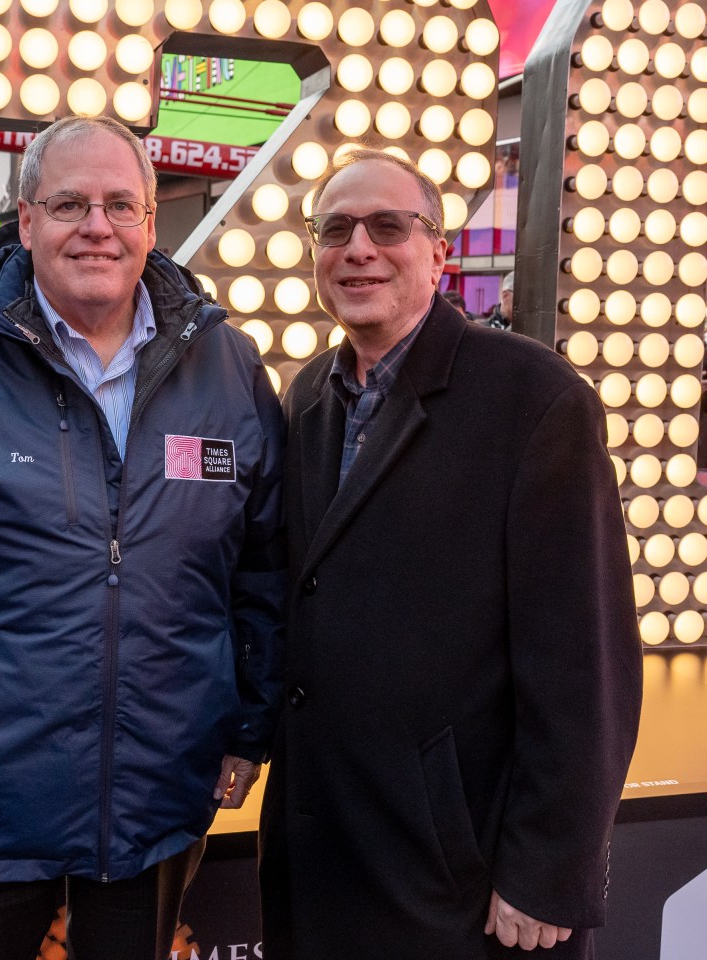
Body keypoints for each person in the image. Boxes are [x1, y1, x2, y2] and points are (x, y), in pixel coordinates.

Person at [0, 115, 285, 960]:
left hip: (159, 796)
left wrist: (249, 726)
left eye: (120, 205)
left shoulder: (229, 369)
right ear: (25, 223)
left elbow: (260, 566)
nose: (96, 227)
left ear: (150, 224)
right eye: (69, 204)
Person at [259, 149, 642, 960]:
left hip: (458, 883)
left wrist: (549, 868)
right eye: (335, 229)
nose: (358, 247)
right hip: (329, 855)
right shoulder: (307, 397)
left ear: (439, 252)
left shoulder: (534, 399)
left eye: (388, 226)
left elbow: (587, 663)